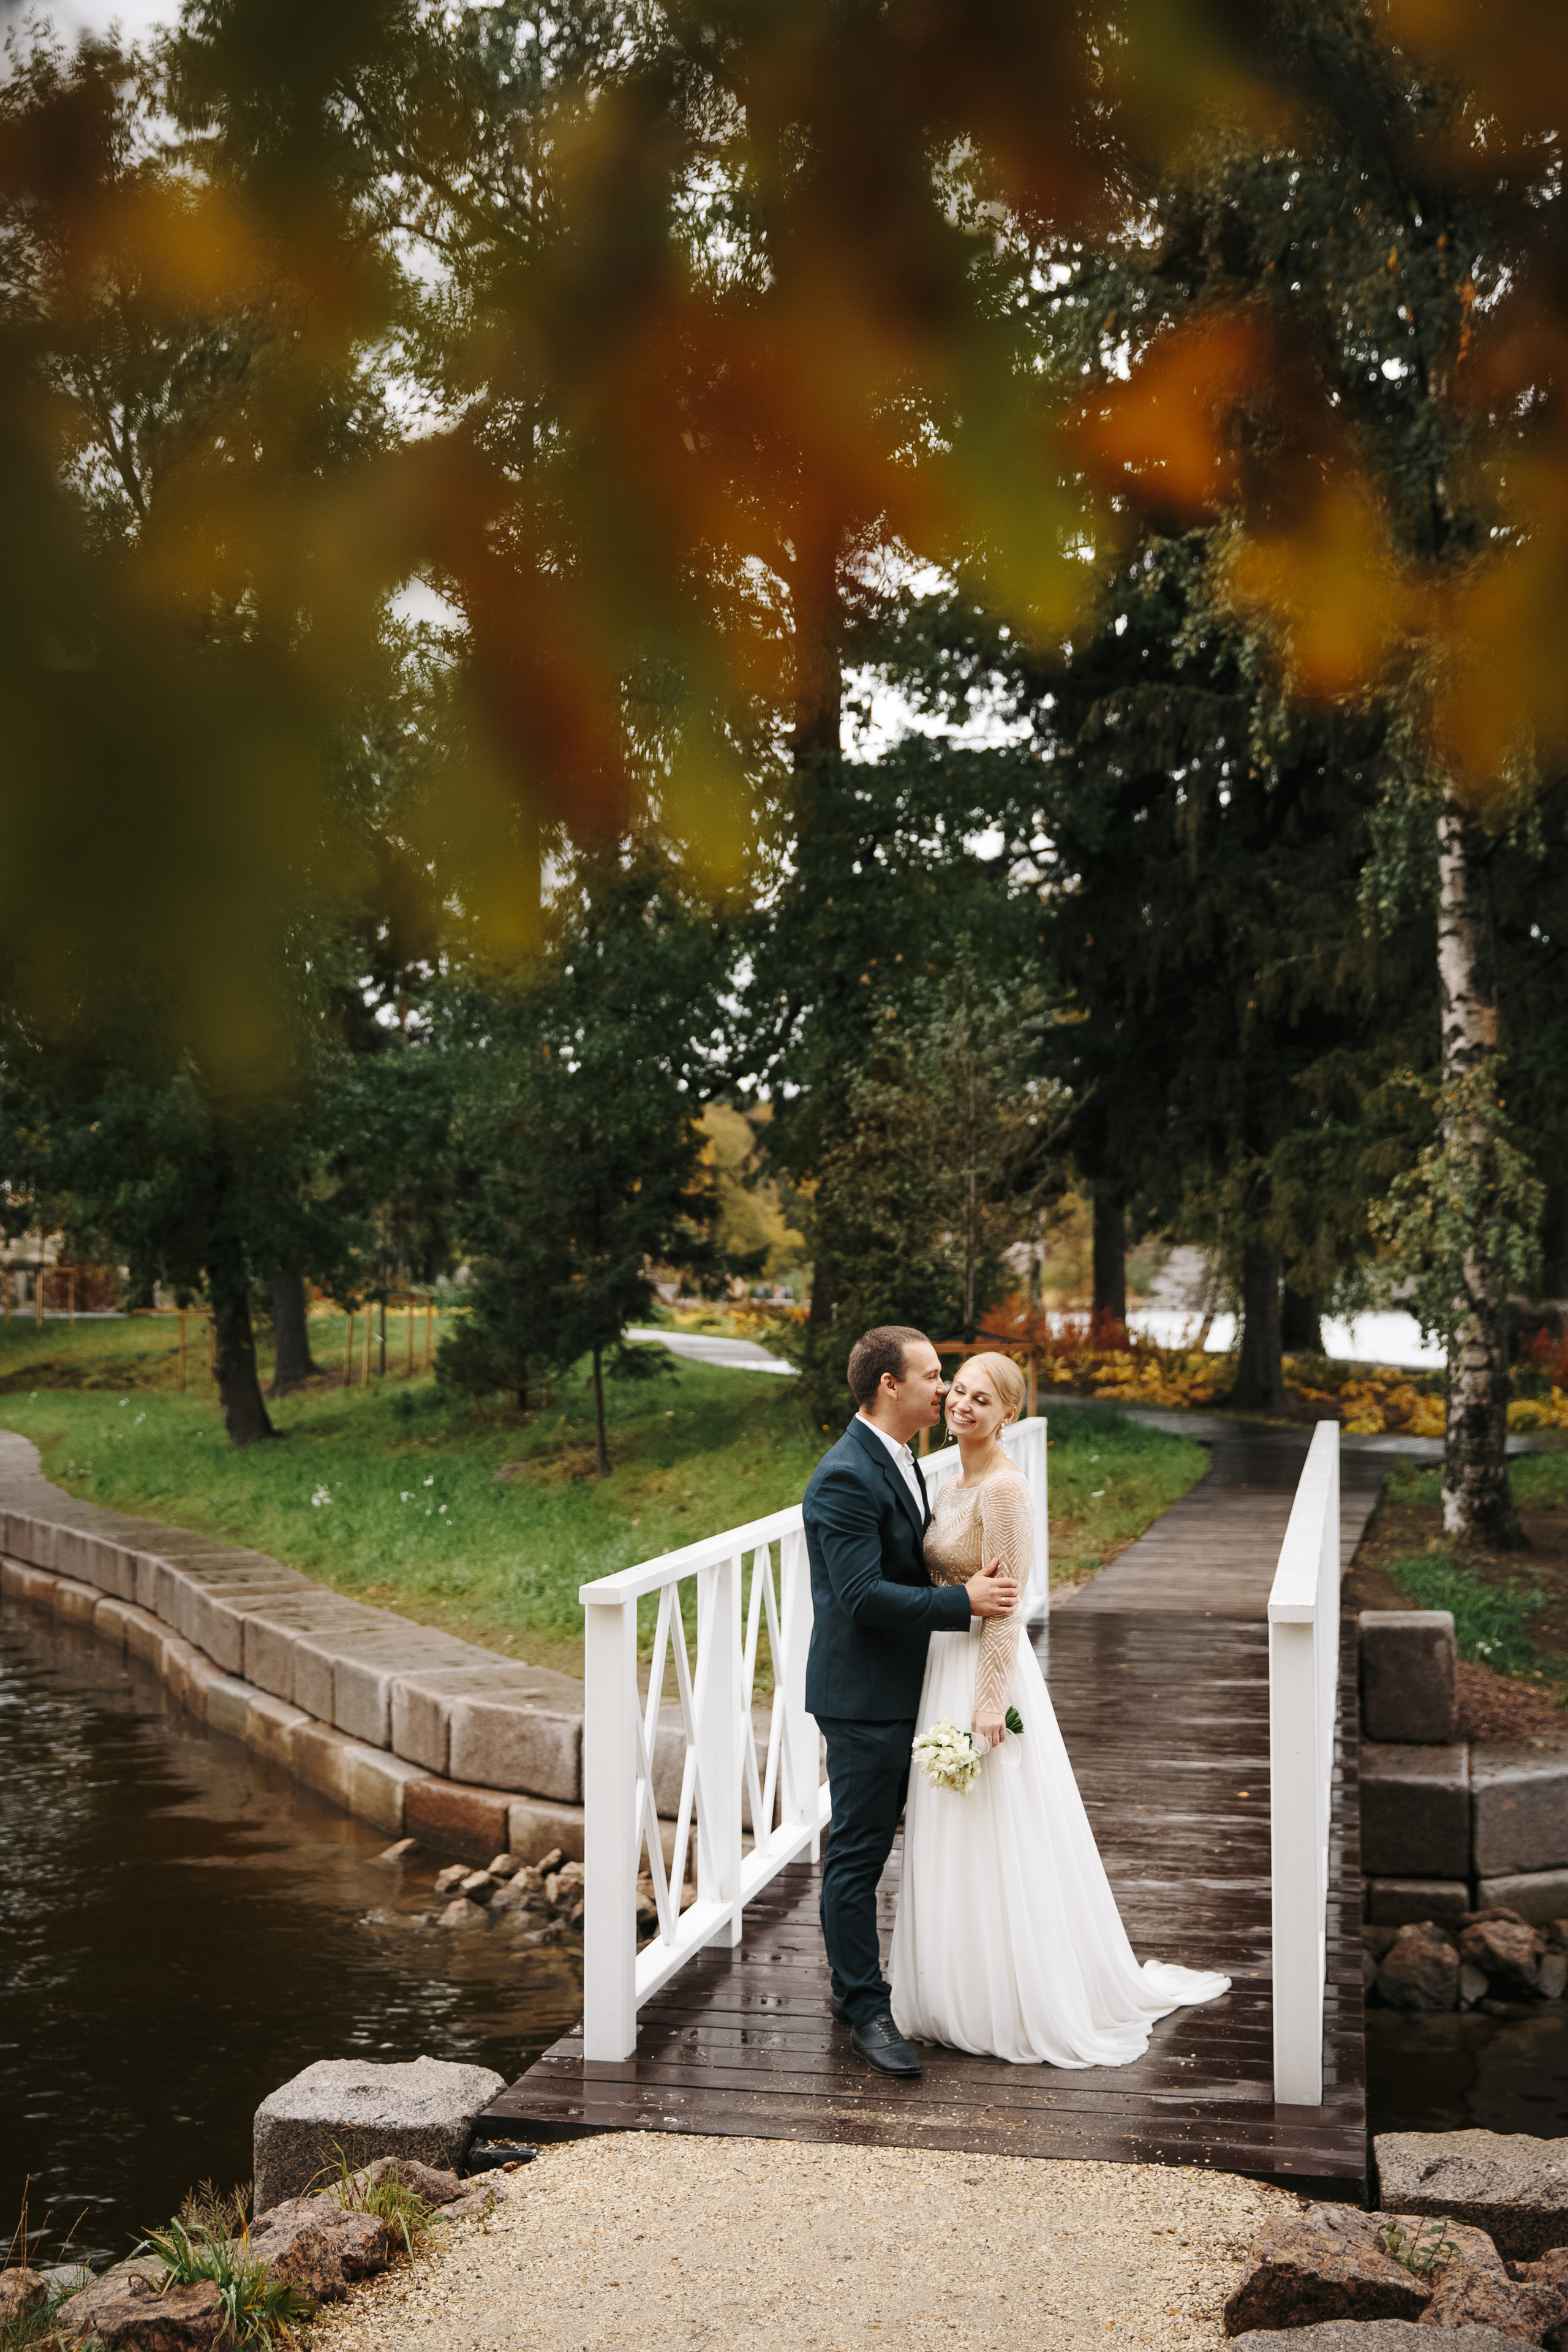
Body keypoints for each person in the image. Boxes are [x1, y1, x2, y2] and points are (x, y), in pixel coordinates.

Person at [889, 1351, 1231, 2065]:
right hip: (940, 1664)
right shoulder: (948, 1479)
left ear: (1008, 1414)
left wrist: (987, 1706)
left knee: (996, 1828)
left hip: (988, 1673)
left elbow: (1007, 1612)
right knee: (950, 1829)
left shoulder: (1006, 1492)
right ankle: (951, 1991)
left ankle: (1015, 1996)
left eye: (983, 1400)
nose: (963, 1406)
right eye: (958, 1393)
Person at [802, 1325, 1019, 2080]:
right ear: (890, 1386)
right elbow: (859, 1597)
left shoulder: (904, 1461)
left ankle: (854, 1983)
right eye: (933, 1377)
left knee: (873, 1847)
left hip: (910, 1686)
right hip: (862, 1694)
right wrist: (964, 1602)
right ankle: (864, 2006)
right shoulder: (843, 1476)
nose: (945, 1389)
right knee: (858, 1854)